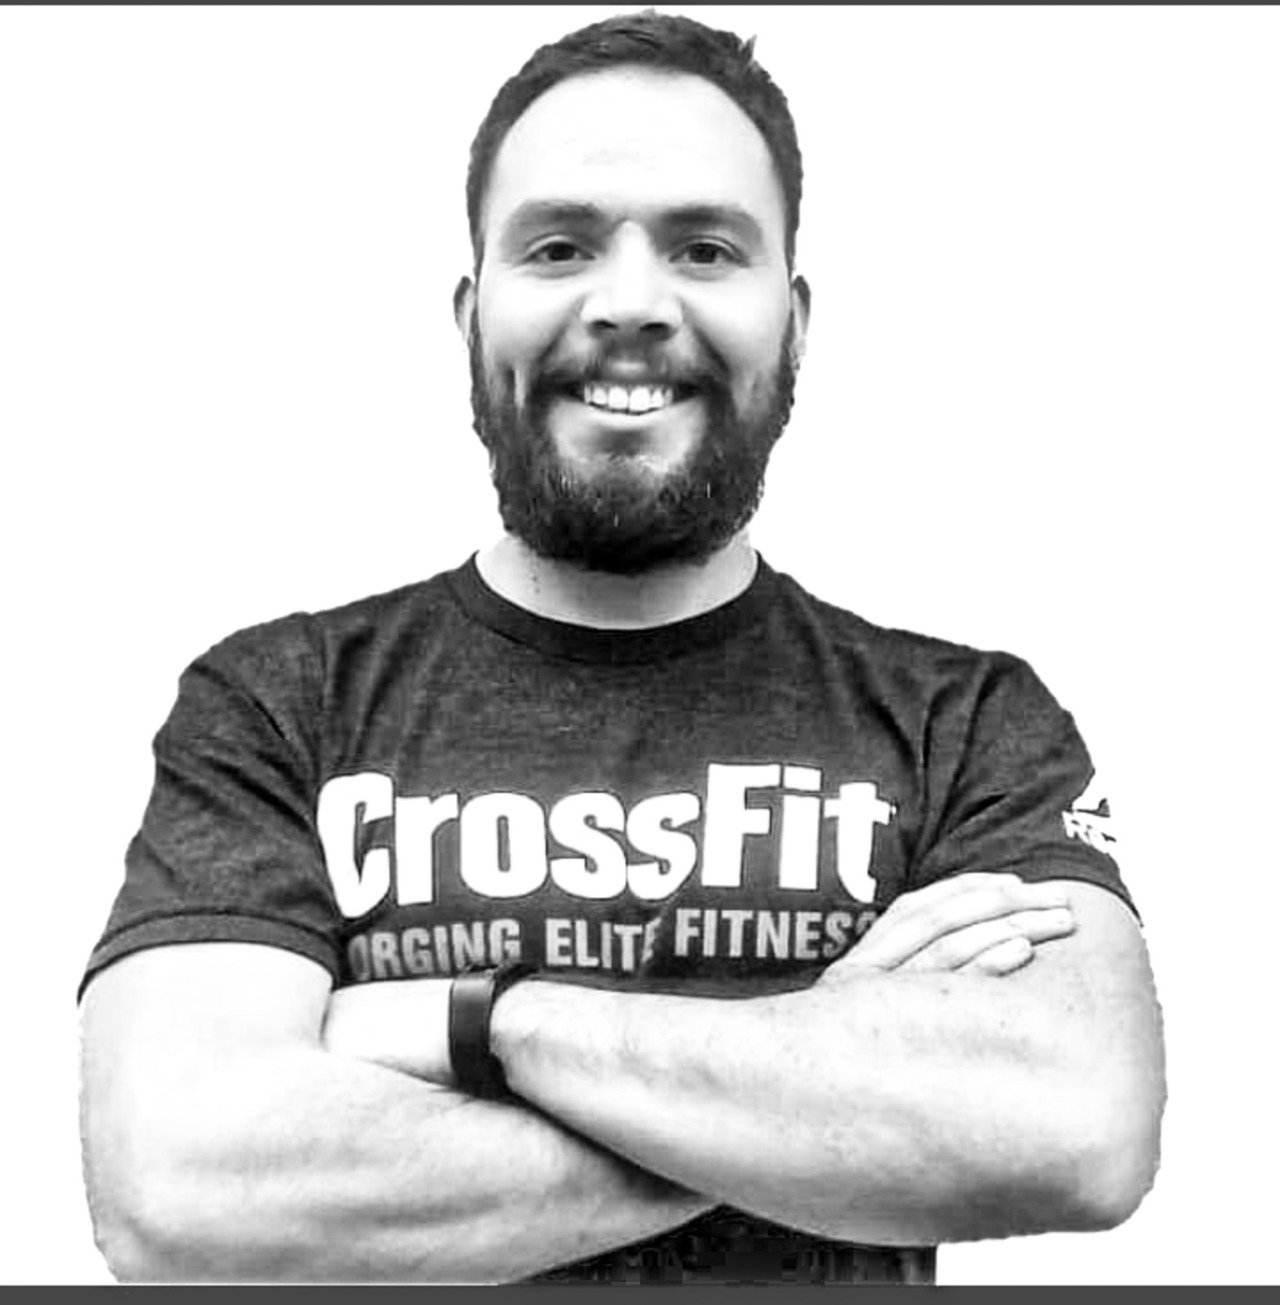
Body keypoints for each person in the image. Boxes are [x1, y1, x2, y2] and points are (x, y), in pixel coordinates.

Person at [77, 9, 1165, 1285]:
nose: (632, 304)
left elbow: (1075, 1131)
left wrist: (486, 1023)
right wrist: (823, 1069)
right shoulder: (280, 705)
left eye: (704, 248)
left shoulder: (961, 722)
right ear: (471, 315)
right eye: (559, 246)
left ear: (793, 320)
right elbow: (179, 1192)